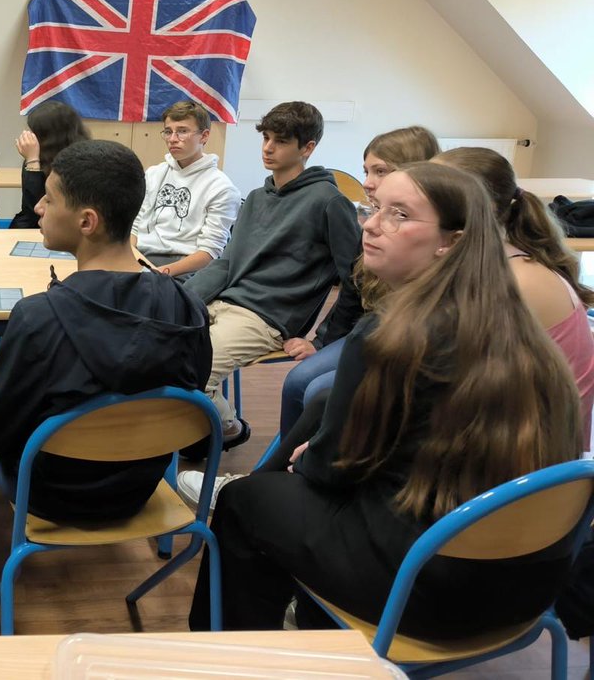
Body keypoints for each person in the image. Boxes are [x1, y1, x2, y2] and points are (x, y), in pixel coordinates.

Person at [187, 162, 584, 636]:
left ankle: (232, 652)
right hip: (526, 589)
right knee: (320, 408)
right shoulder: (520, 325)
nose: (372, 225)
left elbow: (333, 473)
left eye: (399, 214)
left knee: (243, 502)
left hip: (425, 591)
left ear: (452, 241)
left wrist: (311, 459)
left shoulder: (391, 336)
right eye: (374, 208)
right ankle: (310, 615)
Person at [0, 139, 212, 527]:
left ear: (87, 222)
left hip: (49, 494)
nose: (38, 208)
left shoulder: (37, 318)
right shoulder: (188, 307)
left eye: (49, 199)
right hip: (139, 489)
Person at [184, 102, 362, 451]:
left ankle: (230, 429)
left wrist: (322, 342)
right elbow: (227, 263)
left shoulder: (329, 202)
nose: (268, 147)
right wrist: (182, 300)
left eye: (280, 141)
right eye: (265, 137)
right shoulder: (255, 198)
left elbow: (356, 280)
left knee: (194, 371)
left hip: (266, 318)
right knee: (160, 351)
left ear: (307, 148)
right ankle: (193, 433)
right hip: (225, 301)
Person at [275, 126, 440, 437]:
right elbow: (353, 290)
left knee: (320, 393)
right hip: (371, 332)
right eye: (366, 170)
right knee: (298, 382)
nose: (367, 182)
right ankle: (292, 462)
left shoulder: (430, 234)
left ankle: (318, 459)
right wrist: (320, 342)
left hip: (406, 343)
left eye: (381, 171)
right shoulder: (372, 220)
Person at [435, 146, 594, 440]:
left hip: (538, 450)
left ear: (478, 208)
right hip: (513, 430)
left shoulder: (518, 280)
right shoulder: (492, 259)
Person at [131, 100, 240, 278]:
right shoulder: (153, 174)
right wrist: (132, 261)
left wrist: (158, 273)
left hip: (184, 267)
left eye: (182, 131)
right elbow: (134, 229)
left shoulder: (222, 188)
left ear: (204, 136)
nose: (173, 139)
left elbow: (209, 253)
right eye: (168, 131)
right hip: (141, 257)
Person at [8, 100, 89, 230]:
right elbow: (29, 210)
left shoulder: (79, 163)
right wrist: (32, 160)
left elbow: (38, 211)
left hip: (61, 224)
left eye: (33, 131)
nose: (28, 135)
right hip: (31, 223)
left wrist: (32, 161)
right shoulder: (36, 156)